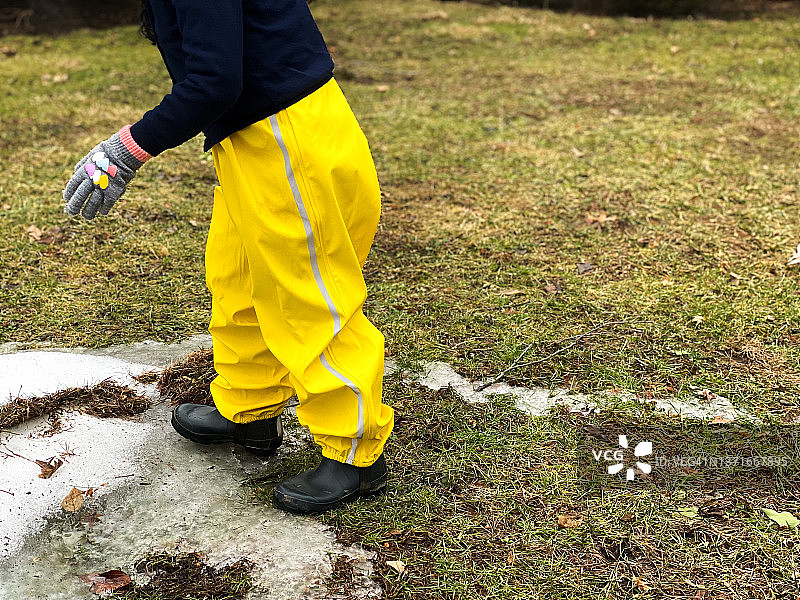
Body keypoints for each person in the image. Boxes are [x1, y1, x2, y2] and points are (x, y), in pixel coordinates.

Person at [62, 0, 394, 514]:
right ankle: (250, 407)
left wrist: (128, 148)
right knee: (237, 277)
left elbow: (215, 82)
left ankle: (355, 451)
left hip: (288, 136)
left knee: (308, 296)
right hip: (254, 137)